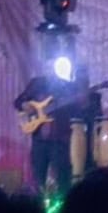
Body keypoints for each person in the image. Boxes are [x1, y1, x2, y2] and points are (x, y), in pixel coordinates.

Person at [14, 58, 89, 198]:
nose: (50, 70)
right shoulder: (36, 84)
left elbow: (80, 110)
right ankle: (37, 205)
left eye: (52, 66)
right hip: (39, 140)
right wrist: (25, 105)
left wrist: (83, 94)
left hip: (60, 139)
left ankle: (63, 206)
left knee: (63, 180)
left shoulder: (68, 87)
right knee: (38, 179)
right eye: (47, 66)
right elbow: (18, 102)